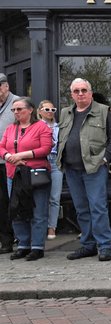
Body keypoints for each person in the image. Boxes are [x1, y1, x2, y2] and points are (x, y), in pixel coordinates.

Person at [57, 78, 111, 262]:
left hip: (94, 168)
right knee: (81, 209)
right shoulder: (65, 113)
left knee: (98, 207)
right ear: (71, 94)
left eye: (84, 90)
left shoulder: (102, 111)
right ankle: (88, 245)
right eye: (76, 91)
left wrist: (104, 159)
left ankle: (105, 246)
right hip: (71, 169)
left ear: (91, 93)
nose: (80, 94)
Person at [0, 97, 52, 261]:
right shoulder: (10, 129)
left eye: (19, 109)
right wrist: (9, 156)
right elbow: (1, 146)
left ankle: (37, 247)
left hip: (35, 174)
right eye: (14, 110)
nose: (16, 112)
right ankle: (23, 245)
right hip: (14, 175)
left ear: (30, 110)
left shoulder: (41, 127)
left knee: (38, 211)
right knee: (16, 209)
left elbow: (46, 148)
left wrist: (22, 155)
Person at [38, 100, 64, 239]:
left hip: (56, 161)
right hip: (41, 161)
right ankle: (39, 226)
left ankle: (51, 227)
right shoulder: (36, 127)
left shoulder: (59, 127)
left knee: (55, 196)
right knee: (40, 196)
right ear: (40, 111)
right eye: (46, 109)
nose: (49, 112)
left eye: (52, 110)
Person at [0, 73, 18, 254]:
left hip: (12, 162)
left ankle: (9, 240)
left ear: (6, 86)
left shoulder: (18, 104)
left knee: (8, 202)